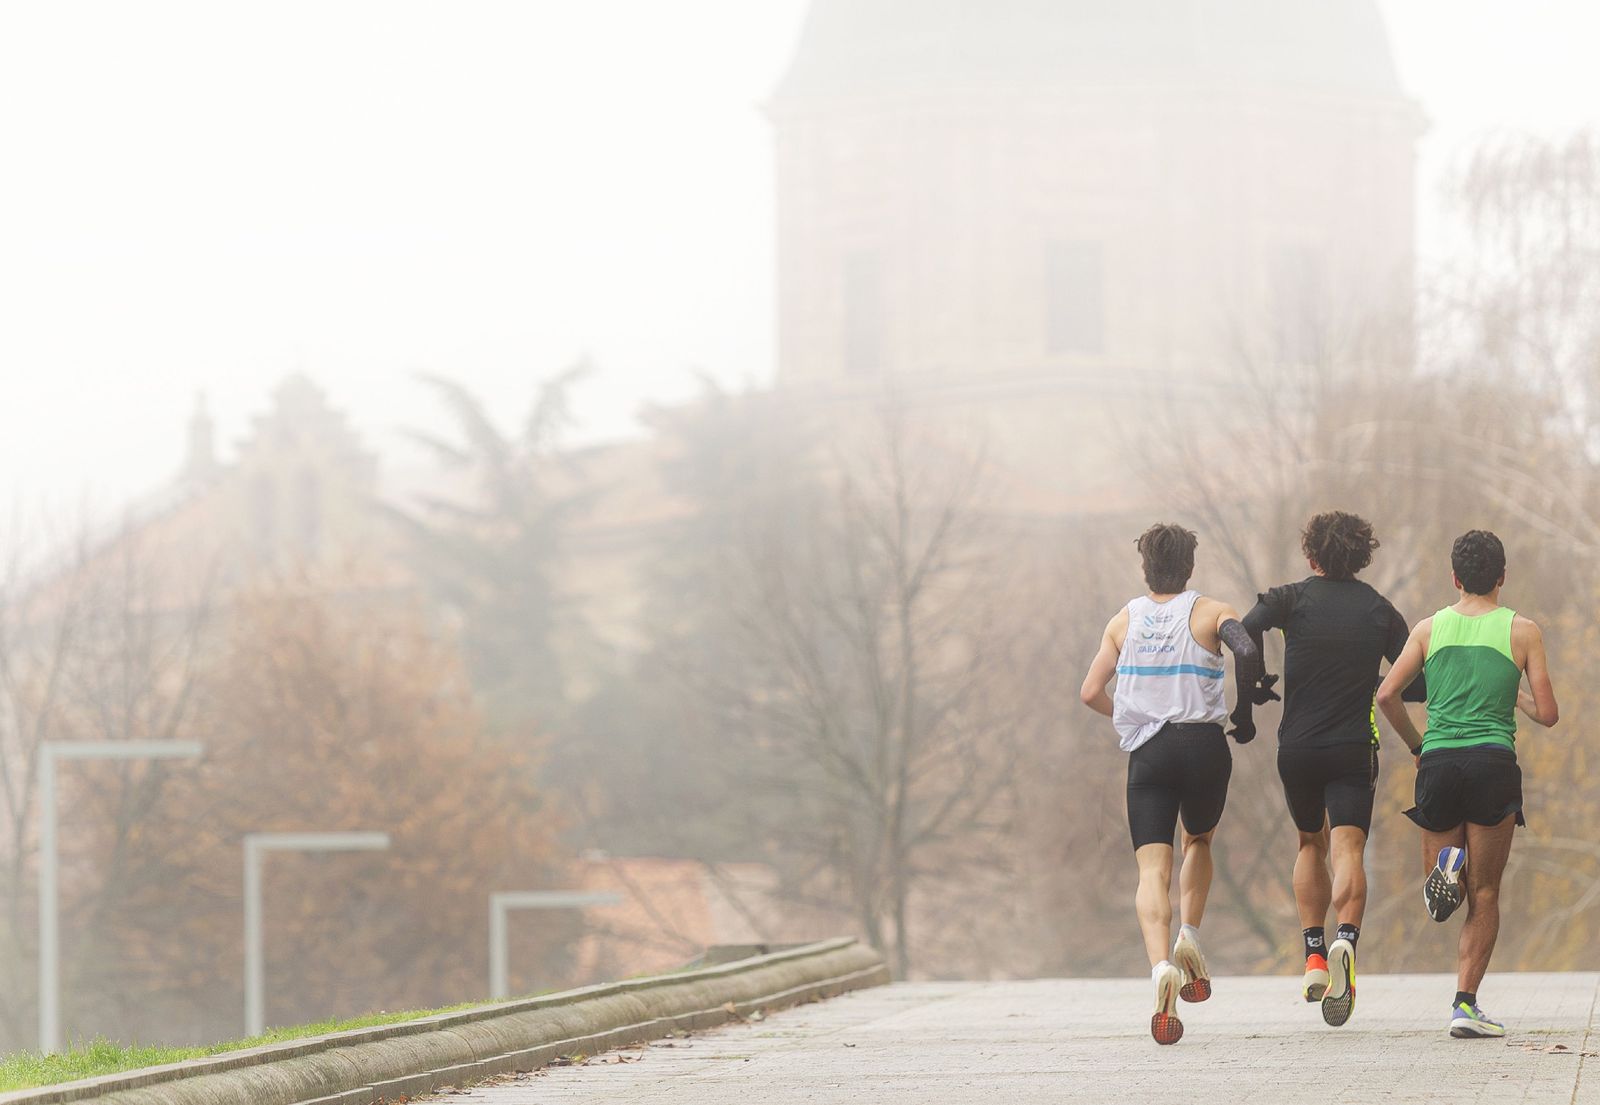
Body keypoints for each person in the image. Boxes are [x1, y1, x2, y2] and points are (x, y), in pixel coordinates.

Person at [1081, 522, 1266, 1045]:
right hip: (1204, 747)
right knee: (1198, 841)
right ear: (1189, 566)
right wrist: (1245, 711)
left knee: (1151, 869)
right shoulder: (1212, 612)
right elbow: (1246, 650)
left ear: (1146, 568)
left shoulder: (1122, 622)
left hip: (1149, 752)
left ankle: (1161, 965)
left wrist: (1132, 715)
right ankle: (1190, 934)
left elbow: (1089, 691)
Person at [1241, 510, 1422, 1027]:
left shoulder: (1290, 599)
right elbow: (1416, 684)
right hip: (1352, 748)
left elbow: (1245, 629)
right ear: (1363, 555)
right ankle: (1346, 939)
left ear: (1310, 553)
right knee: (1348, 848)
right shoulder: (1380, 611)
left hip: (1297, 748)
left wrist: (1255, 680)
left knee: (1309, 844)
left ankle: (1315, 957)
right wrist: (1372, 678)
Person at [1377, 530, 1558, 1039]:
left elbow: (1387, 695)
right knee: (1486, 891)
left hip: (1438, 762)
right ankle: (1464, 1005)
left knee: (1445, 896)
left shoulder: (1428, 629)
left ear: (1455, 578)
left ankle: (1447, 869)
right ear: (1503, 576)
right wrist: (1516, 695)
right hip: (1492, 764)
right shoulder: (1523, 631)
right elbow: (1548, 713)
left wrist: (1417, 746)